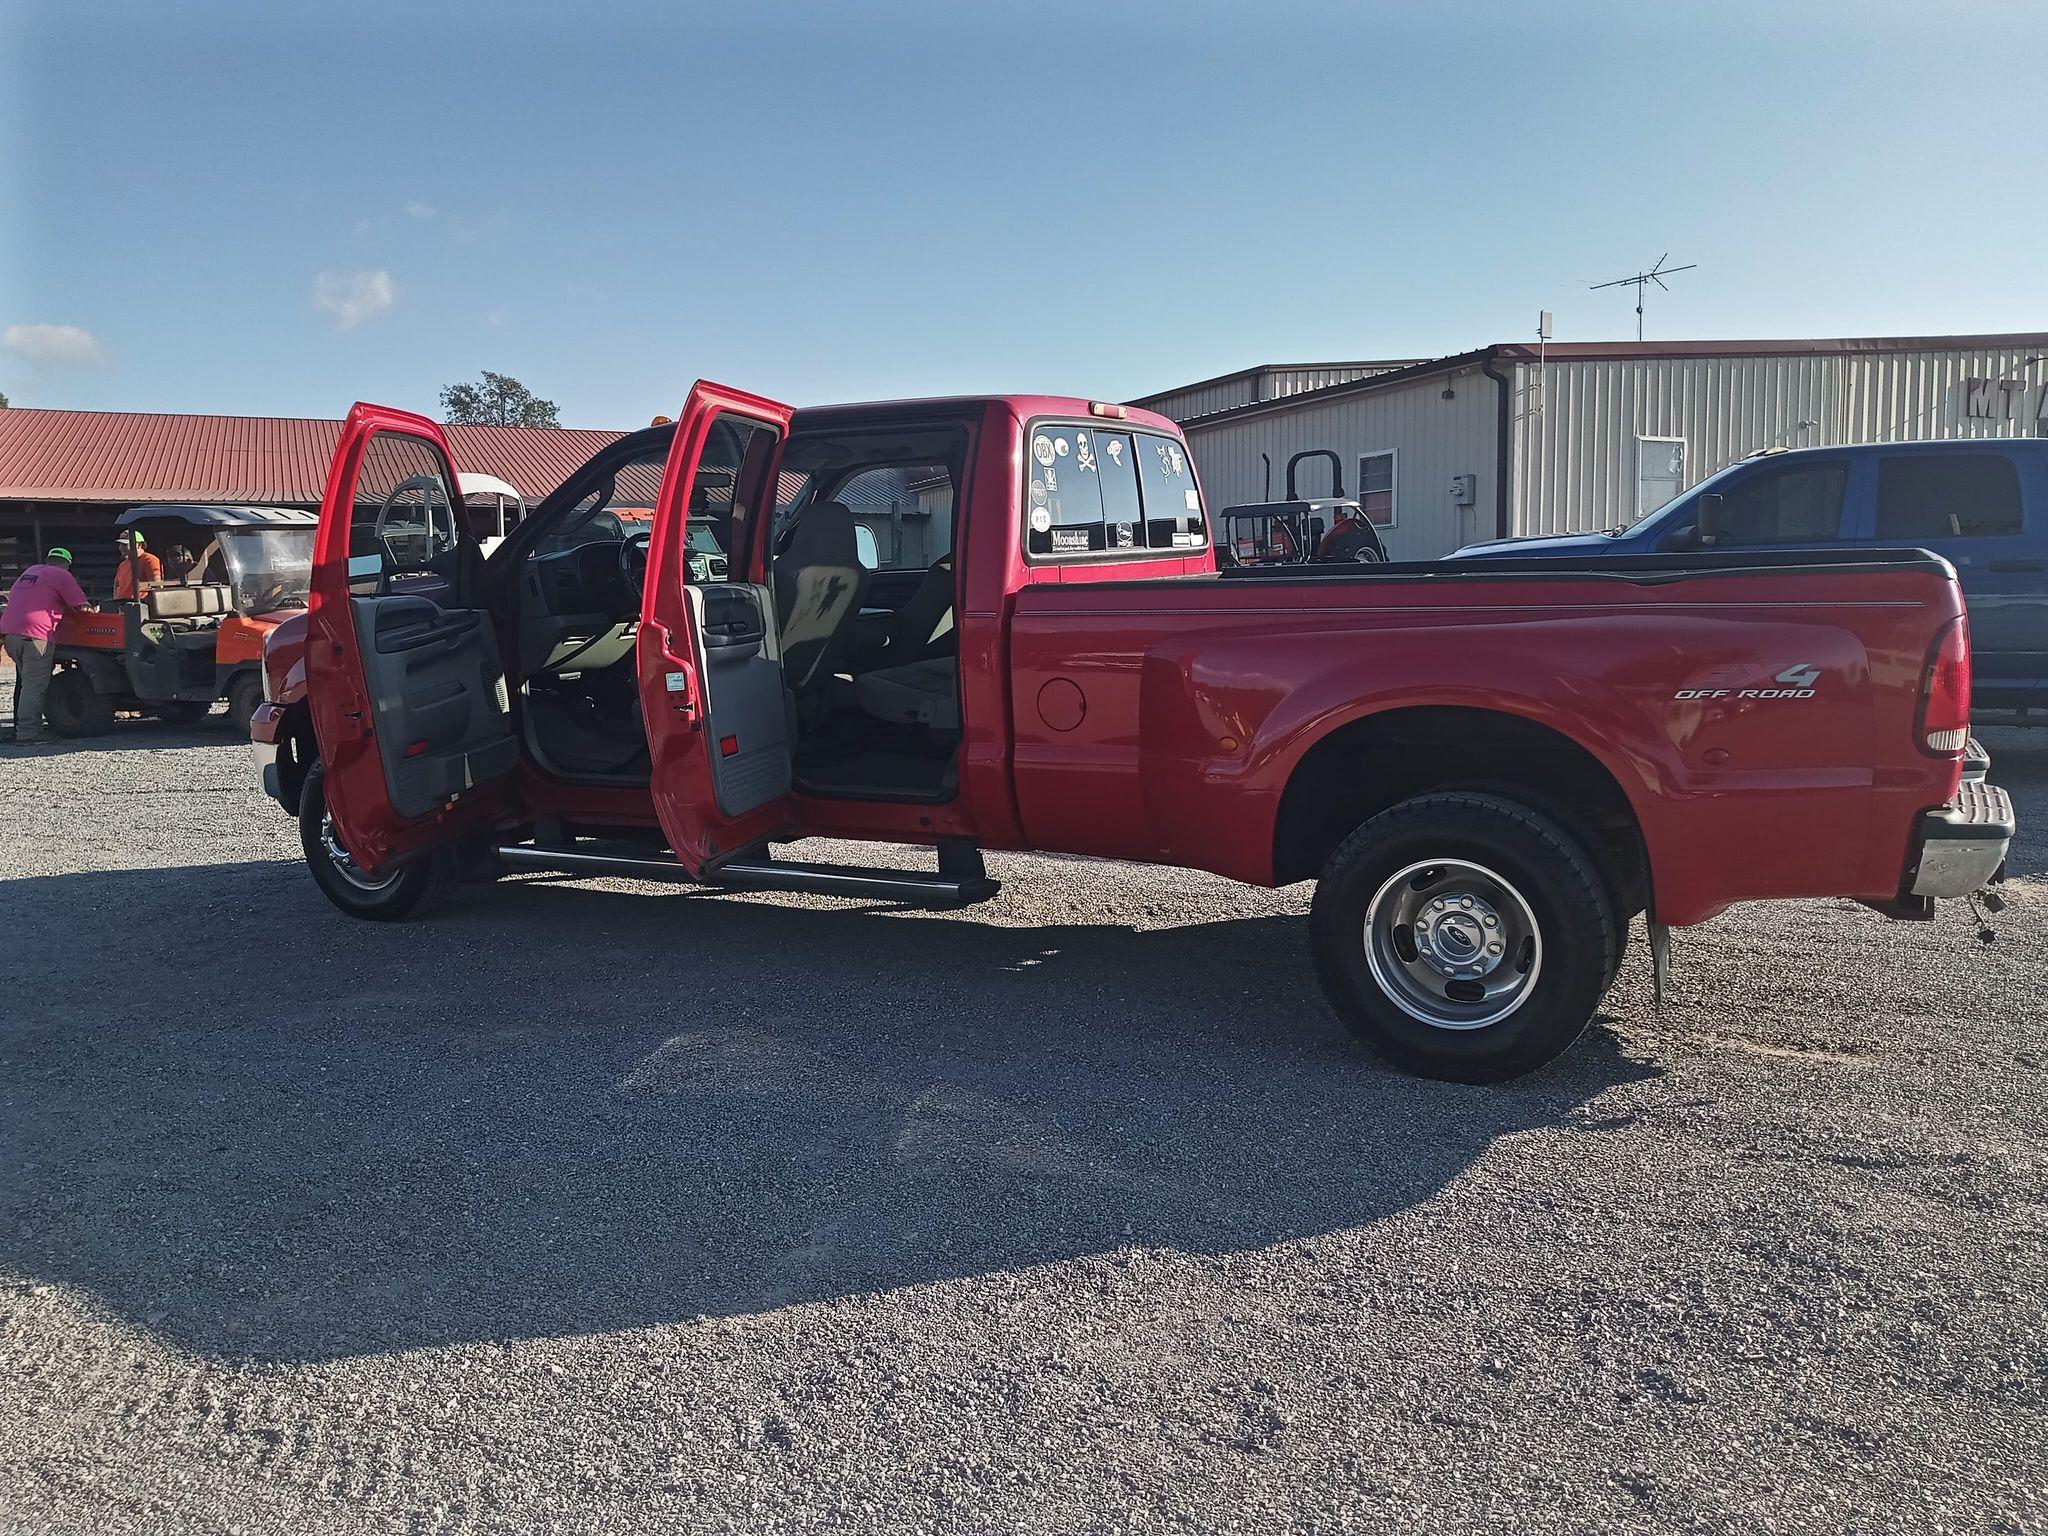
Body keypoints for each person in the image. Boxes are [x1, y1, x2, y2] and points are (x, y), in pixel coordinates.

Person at [2, 547, 95, 743]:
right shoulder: (63, 575)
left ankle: (20, 726)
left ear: (47, 559)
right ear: (67, 564)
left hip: (11, 634)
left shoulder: (30, 572)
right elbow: (83, 608)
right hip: (36, 635)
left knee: (25, 682)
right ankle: (29, 733)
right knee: (34, 686)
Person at [113, 533, 163, 600]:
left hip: (141, 604)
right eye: (120, 544)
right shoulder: (122, 565)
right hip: (122, 605)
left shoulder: (149, 559)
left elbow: (157, 585)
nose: (121, 547)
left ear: (139, 545)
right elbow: (116, 584)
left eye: (125, 544)